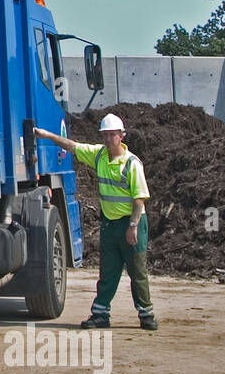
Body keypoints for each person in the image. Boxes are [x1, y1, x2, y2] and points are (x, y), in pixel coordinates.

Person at [32, 113, 157, 331]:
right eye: (105, 136)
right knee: (108, 272)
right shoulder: (99, 155)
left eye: (112, 135)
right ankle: (100, 314)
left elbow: (139, 198)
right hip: (110, 225)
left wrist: (133, 226)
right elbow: (72, 146)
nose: (108, 139)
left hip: (131, 223)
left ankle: (146, 314)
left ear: (121, 136)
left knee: (137, 272)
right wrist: (47, 135)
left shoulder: (131, 164)